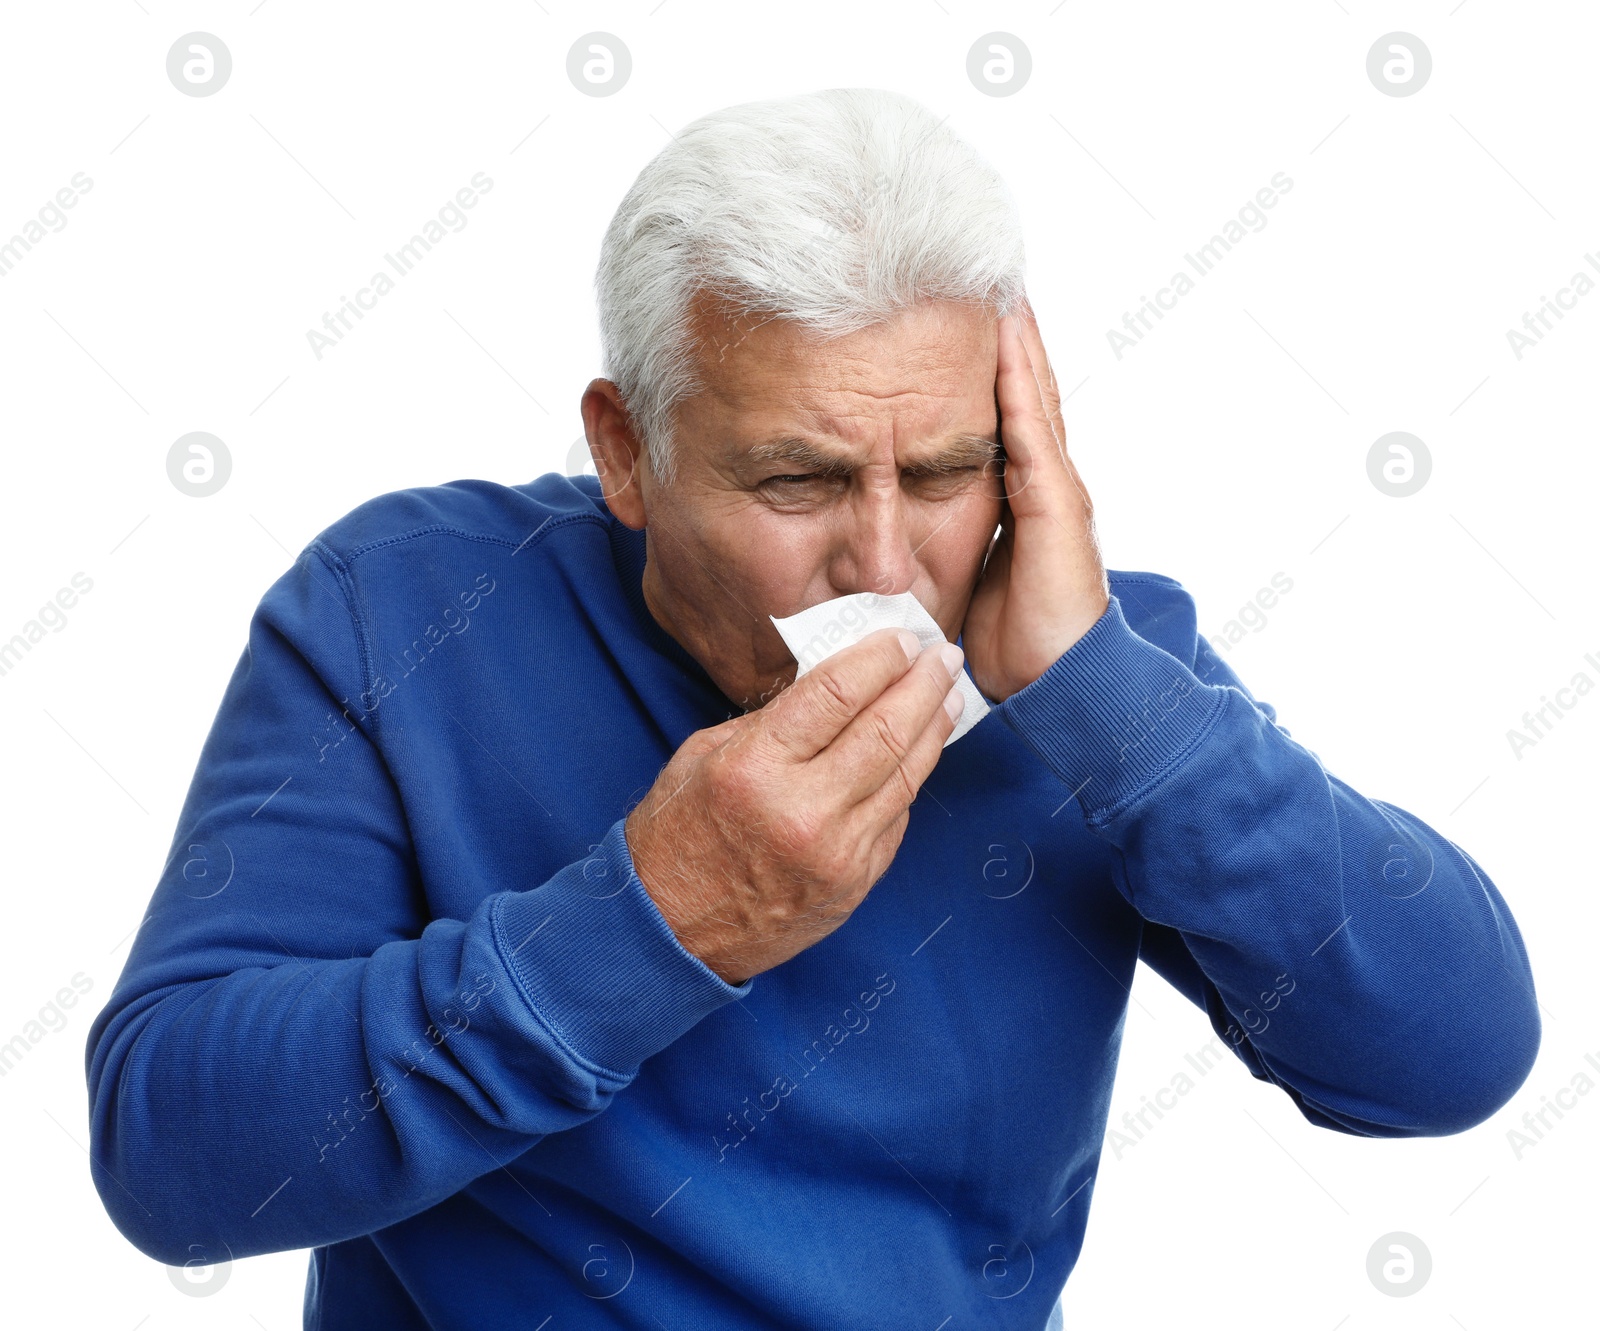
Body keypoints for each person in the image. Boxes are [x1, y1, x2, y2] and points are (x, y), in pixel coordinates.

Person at [85, 87, 1539, 1330]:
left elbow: (1453, 1061)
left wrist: (1117, 707)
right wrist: (654, 919)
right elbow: (168, 1159)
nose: (891, 566)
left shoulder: (1083, 665)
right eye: (799, 481)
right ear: (628, 452)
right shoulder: (401, 610)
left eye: (954, 468)